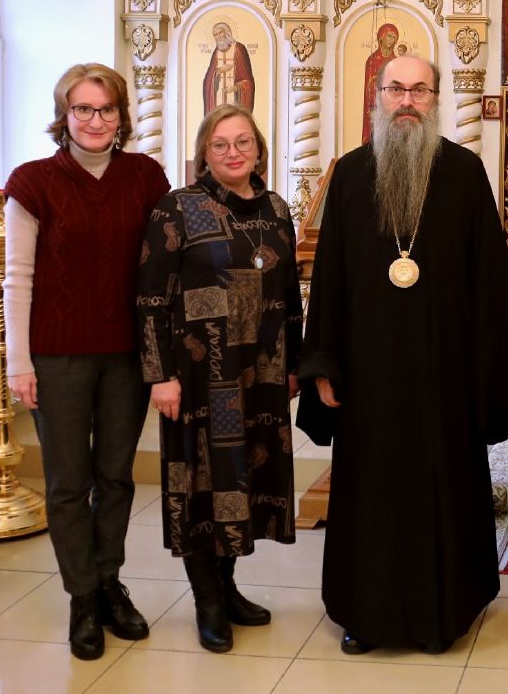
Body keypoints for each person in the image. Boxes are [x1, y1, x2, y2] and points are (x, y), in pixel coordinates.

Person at [297, 54, 508, 654]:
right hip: (367, 378)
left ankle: (445, 612)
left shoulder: (464, 173)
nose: (407, 100)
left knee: (443, 489)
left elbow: (489, 280)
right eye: (396, 89)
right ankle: (364, 613)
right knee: (371, 494)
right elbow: (329, 280)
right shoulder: (350, 176)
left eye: (419, 90)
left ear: (435, 99)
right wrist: (322, 365)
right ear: (377, 96)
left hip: (444, 374)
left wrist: (487, 372)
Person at [3, 63, 170, 660]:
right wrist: (18, 362)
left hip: (126, 355)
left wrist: (163, 358)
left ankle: (108, 583)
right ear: (64, 114)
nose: (95, 120)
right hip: (57, 358)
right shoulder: (32, 182)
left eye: (106, 109)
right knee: (69, 483)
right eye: (83, 109)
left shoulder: (146, 177)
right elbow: (17, 277)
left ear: (121, 115)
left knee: (116, 477)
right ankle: (82, 597)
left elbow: (163, 269)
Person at [136, 104, 301, 654]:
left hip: (260, 372)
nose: (234, 153)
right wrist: (160, 375)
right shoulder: (177, 208)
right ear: (204, 152)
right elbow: (151, 298)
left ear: (259, 148)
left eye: (243, 142)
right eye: (221, 144)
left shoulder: (276, 209)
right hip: (201, 374)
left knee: (245, 477)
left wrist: (293, 363)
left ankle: (228, 586)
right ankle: (206, 600)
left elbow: (291, 297)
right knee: (203, 483)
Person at [201, 22, 255, 115]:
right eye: (215, 35)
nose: (218, 36)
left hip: (234, 100)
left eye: (220, 33)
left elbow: (249, 81)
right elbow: (208, 82)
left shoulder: (239, 49)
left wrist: (236, 88)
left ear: (227, 32)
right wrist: (219, 71)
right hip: (218, 102)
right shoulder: (216, 52)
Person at [359, 22, 400, 144]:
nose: (391, 40)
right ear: (381, 37)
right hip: (376, 105)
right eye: (389, 36)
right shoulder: (372, 60)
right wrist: (372, 106)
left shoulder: (396, 61)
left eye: (394, 37)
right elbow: (369, 85)